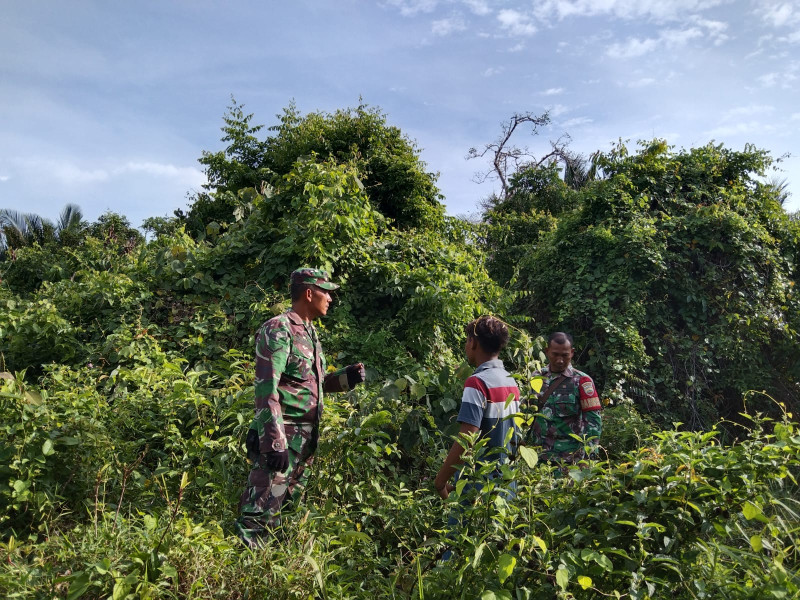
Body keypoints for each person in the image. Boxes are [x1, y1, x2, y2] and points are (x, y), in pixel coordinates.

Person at [236, 267, 366, 549]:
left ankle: (271, 573)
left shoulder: (309, 334)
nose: (330, 298)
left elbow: (310, 384)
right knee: (259, 515)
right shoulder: (278, 329)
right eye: (326, 292)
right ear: (309, 293)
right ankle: (244, 575)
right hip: (283, 443)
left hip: (303, 444)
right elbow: (266, 389)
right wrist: (274, 442)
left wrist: (345, 379)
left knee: (280, 509)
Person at [434, 316, 520, 500]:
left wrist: (440, 481)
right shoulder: (510, 381)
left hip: (479, 489)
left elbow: (468, 438)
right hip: (506, 487)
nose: (466, 345)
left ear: (473, 343)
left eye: (467, 340)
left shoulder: (477, 382)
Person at [529, 332, 602, 467]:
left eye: (565, 355)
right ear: (546, 351)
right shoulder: (537, 377)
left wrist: (587, 458)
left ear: (572, 353)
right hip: (538, 459)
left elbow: (593, 423)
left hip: (569, 461)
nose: (560, 360)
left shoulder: (582, 381)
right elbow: (528, 412)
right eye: (555, 354)